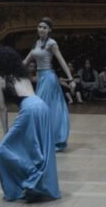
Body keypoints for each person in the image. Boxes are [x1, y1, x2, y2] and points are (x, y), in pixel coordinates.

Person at [0, 46, 60, 202]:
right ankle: (35, 183)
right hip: (42, 106)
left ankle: (32, 177)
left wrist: (6, 131)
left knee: (3, 149)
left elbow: (3, 109)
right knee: (37, 148)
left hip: (30, 109)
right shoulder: (23, 76)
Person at [22, 17, 74, 151]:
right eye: (39, 27)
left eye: (44, 27)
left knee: (47, 108)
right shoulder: (36, 43)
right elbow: (25, 62)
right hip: (41, 79)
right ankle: (44, 139)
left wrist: (71, 79)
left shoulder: (52, 43)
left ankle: (53, 139)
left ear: (49, 29)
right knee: (42, 109)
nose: (41, 29)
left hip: (49, 78)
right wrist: (10, 71)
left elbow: (61, 61)